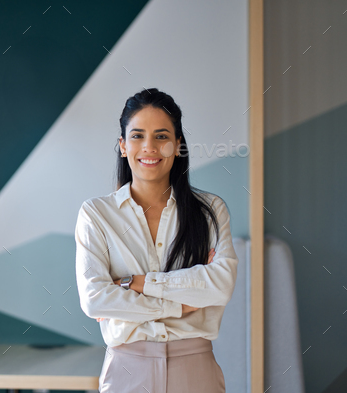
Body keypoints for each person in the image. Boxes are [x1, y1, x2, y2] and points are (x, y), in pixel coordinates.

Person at [74, 88, 239, 392]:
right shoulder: (96, 214)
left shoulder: (210, 211)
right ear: (123, 146)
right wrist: (178, 304)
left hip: (195, 369)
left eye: (162, 136)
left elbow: (220, 284)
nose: (149, 147)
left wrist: (134, 283)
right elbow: (95, 298)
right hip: (127, 370)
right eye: (137, 136)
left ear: (178, 146)